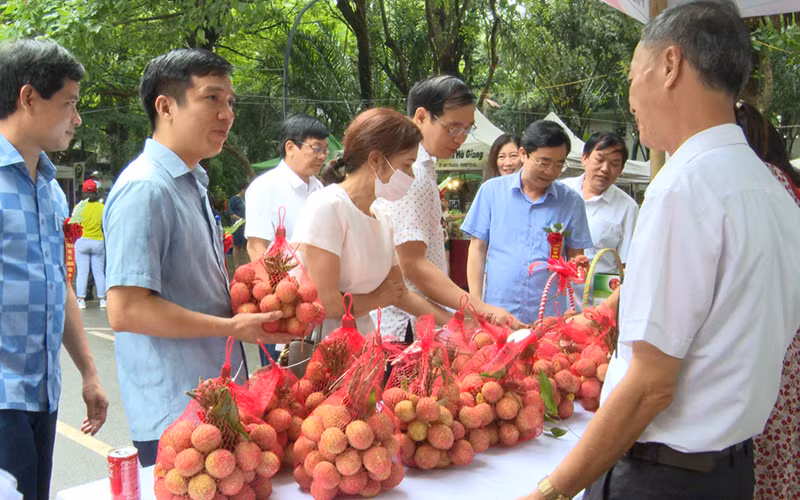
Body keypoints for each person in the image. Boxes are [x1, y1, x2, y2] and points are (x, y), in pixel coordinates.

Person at [522, 2, 800, 499]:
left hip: (664, 476)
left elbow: (653, 385)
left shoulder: (684, 188)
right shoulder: (772, 190)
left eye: (633, 74)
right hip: (730, 469)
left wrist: (552, 490)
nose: (630, 96)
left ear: (669, 65)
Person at [103, 49, 295, 467]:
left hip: (216, 399)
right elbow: (126, 309)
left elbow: (196, 290)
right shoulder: (145, 188)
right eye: (212, 99)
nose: (226, 114)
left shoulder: (190, 183)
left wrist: (259, 307)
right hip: (175, 413)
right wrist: (231, 326)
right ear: (166, 106)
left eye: (230, 102)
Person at [0, 39, 108, 500]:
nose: (77, 118)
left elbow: (57, 282)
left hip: (42, 394)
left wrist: (88, 372)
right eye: (69, 104)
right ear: (28, 98)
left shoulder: (50, 190)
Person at [375, 75, 516, 341]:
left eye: (467, 129)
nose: (460, 137)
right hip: (406, 329)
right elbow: (413, 264)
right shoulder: (413, 173)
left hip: (415, 323)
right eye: (453, 128)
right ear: (421, 116)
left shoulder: (421, 168)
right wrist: (479, 308)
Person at [293, 108, 451, 341]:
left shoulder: (382, 216)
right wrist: (377, 299)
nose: (412, 175)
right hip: (324, 350)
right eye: (407, 165)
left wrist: (461, 324)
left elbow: (400, 294)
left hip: (363, 348)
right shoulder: (328, 206)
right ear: (376, 160)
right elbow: (322, 302)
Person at [462, 120, 592, 324]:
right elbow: (477, 250)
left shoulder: (572, 202)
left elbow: (576, 262)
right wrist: (477, 303)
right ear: (523, 154)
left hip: (550, 317)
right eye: (544, 162)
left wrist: (579, 268)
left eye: (559, 164)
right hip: (498, 313)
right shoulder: (492, 192)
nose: (551, 171)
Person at [735, 101, 800, 500]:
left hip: (763, 338)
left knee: (763, 439)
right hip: (789, 334)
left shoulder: (754, 185)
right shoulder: (789, 184)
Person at [245, 114, 329, 363]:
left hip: (313, 304)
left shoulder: (320, 190)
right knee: (279, 380)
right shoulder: (265, 188)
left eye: (325, 150)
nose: (322, 156)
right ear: (290, 147)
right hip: (282, 307)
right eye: (316, 148)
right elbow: (256, 246)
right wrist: (278, 303)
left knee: (311, 380)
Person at [561, 132, 638, 278]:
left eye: (614, 164)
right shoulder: (561, 191)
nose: (605, 169)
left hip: (595, 297)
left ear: (621, 170)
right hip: (554, 294)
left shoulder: (628, 208)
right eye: (599, 159)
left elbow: (627, 265)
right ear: (585, 158)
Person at [74, 179, 106, 309]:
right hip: (98, 241)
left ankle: (81, 300)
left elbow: (73, 224)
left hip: (82, 241)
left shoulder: (79, 207)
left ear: (83, 193)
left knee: (82, 273)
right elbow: (105, 225)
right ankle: (102, 300)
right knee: (99, 273)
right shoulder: (102, 208)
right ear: (96, 192)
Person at [228, 181, 248, 269]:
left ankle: (246, 265)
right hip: (237, 227)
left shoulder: (247, 199)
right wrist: (240, 219)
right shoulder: (234, 199)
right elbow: (230, 213)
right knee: (237, 246)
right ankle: (236, 265)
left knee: (245, 247)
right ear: (243, 189)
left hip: (246, 226)